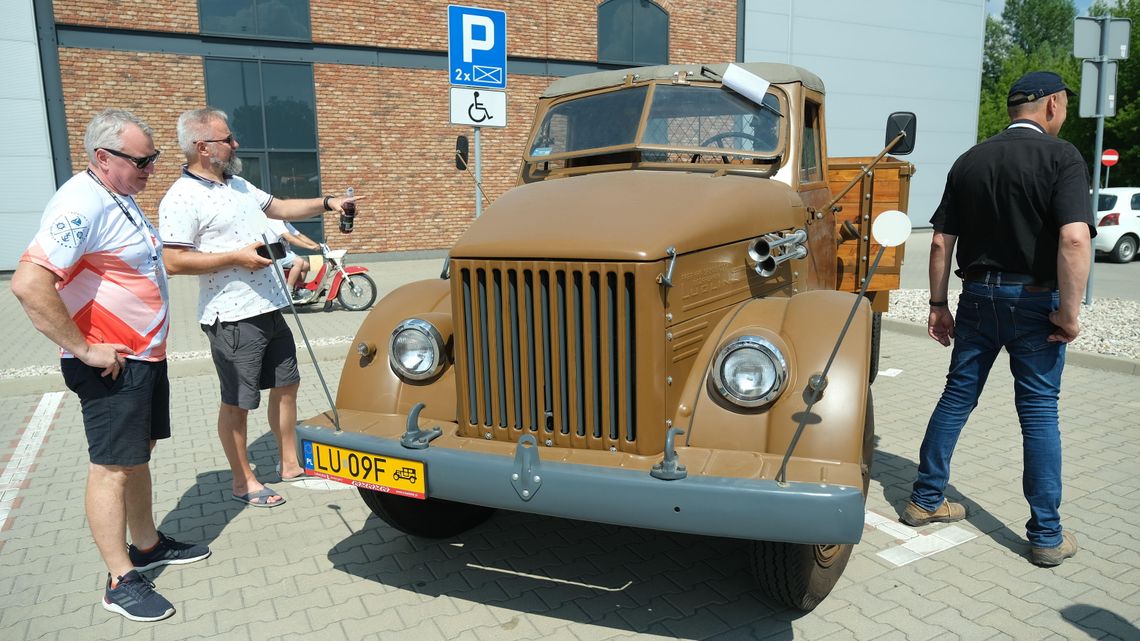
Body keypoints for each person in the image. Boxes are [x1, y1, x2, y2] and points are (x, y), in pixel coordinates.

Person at [11, 108, 210, 622]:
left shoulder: (116, 196)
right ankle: (120, 578)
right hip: (110, 363)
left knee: (135, 454)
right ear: (104, 157)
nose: (151, 168)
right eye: (142, 160)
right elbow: (29, 283)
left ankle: (146, 544)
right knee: (112, 467)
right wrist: (83, 348)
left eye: (154, 158)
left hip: (142, 356)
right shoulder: (80, 203)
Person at [902, 71, 1095, 567]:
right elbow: (1074, 239)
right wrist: (1069, 315)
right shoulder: (1063, 157)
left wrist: (938, 304)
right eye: (1064, 105)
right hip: (1035, 304)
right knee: (1038, 414)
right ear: (1052, 106)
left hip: (978, 299)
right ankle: (1046, 537)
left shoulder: (970, 160)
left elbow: (942, 240)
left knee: (957, 395)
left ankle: (924, 500)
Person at [158, 107, 356, 508]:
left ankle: (289, 463)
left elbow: (281, 208)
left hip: (269, 306)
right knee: (238, 401)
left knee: (287, 383)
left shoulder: (238, 185)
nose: (235, 144)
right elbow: (173, 261)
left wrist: (329, 201)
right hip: (231, 316)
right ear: (202, 147)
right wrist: (236, 257)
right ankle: (242, 479)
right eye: (226, 139)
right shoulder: (181, 197)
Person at [266, 218, 322, 300]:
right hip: (275, 253)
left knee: (306, 265)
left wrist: (317, 245)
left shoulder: (285, 222)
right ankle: (289, 291)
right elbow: (290, 238)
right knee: (298, 262)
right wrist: (310, 247)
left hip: (285, 253)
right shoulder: (276, 221)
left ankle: (297, 288)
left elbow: (299, 235)